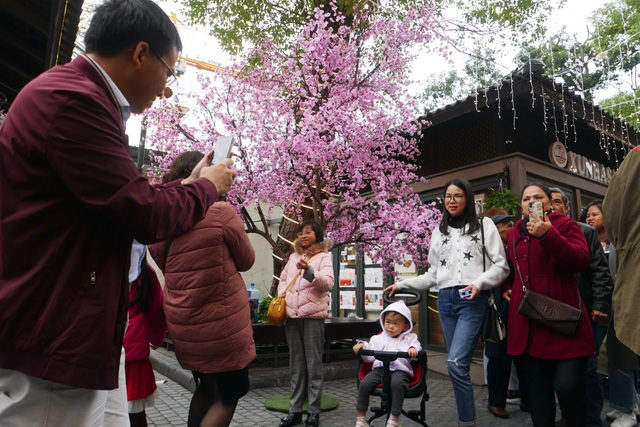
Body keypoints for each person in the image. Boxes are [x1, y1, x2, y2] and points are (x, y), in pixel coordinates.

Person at [0, 0, 236, 424]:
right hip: (55, 331)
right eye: (170, 69)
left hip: (74, 326)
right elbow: (142, 214)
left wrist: (184, 187)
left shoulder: (70, 93)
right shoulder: (74, 101)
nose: (167, 87)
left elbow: (121, 196)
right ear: (140, 53)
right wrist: (207, 188)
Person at [386, 178, 510, 427]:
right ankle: (468, 420)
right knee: (459, 366)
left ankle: (466, 421)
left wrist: (479, 283)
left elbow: (501, 266)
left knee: (453, 363)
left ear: (468, 197)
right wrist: (402, 284)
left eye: (458, 196)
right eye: (448, 196)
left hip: (472, 300)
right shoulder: (439, 231)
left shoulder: (484, 225)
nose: (452, 201)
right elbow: (433, 275)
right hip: (445, 300)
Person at [149, 151, 256, 427]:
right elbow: (247, 261)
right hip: (222, 327)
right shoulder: (220, 212)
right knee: (228, 395)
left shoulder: (163, 222)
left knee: (205, 389)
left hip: (186, 325)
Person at [502, 183, 593, 427]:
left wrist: (547, 234)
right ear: (521, 205)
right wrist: (505, 287)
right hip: (528, 326)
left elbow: (580, 260)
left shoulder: (565, 225)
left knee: (567, 389)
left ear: (549, 203)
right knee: (538, 397)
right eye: (526, 198)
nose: (531, 202)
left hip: (564, 323)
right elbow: (511, 270)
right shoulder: (515, 232)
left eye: (538, 197)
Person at [549, 188, 613, 427]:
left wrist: (599, 304)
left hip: (585, 312)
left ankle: (591, 419)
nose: (552, 206)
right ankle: (569, 416)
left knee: (588, 368)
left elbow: (599, 271)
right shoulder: (536, 233)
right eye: (549, 202)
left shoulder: (584, 231)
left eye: (557, 202)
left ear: (566, 207)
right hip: (554, 313)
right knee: (563, 371)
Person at [587, 199, 640, 427]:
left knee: (623, 357)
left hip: (624, 307)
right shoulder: (588, 240)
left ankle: (628, 407)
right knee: (610, 360)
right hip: (603, 310)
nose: (590, 218)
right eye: (587, 214)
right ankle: (626, 404)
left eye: (595, 214)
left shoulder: (621, 242)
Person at [277, 220, 335, 427]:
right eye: (301, 232)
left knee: (313, 366)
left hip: (312, 317)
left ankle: (313, 412)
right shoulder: (293, 257)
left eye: (308, 232)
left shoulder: (323, 257)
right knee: (296, 366)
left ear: (317, 236)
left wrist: (309, 270)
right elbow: (283, 279)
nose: (303, 235)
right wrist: (282, 296)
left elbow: (328, 283)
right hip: (292, 317)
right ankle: (294, 412)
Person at [352, 301, 422, 427]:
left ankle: (394, 418)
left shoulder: (410, 338)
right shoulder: (378, 338)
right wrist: (362, 345)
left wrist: (413, 349)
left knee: (397, 384)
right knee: (364, 385)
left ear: (405, 326)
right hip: (380, 369)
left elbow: (417, 347)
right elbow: (369, 350)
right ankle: (361, 418)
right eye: (388, 322)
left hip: (401, 370)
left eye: (395, 324)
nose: (390, 326)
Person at [124, 243, 167, 427]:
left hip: (104, 358)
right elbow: (156, 312)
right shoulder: (146, 273)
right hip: (134, 361)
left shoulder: (101, 265)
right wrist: (157, 339)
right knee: (135, 415)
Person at [483, 210, 516, 419]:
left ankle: (529, 399)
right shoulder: (486, 251)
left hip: (519, 306)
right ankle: (496, 401)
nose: (510, 228)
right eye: (506, 225)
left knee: (524, 355)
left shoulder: (515, 246)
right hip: (497, 308)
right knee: (498, 354)